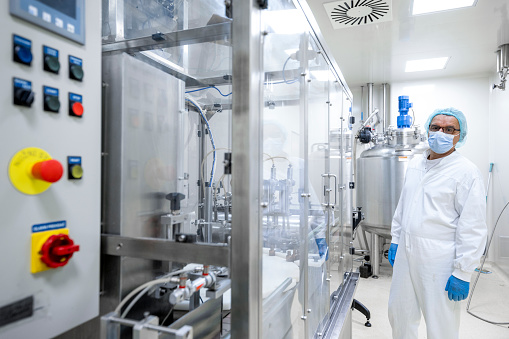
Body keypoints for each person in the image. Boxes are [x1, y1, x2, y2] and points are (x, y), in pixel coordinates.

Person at [387, 108, 487, 339]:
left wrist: (463, 272)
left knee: (440, 322)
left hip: (439, 256)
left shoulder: (467, 172)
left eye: (449, 129)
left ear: (459, 136)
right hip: (406, 251)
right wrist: (396, 238)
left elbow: (472, 225)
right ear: (427, 130)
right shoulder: (415, 163)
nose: (441, 133)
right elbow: (404, 205)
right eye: (436, 128)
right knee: (399, 312)